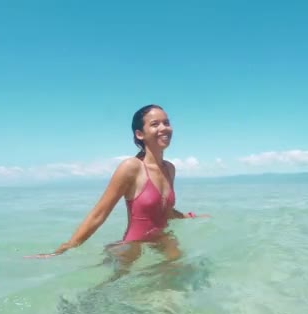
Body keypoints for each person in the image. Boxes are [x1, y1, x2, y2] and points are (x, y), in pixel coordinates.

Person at [25, 104, 207, 273]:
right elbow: (99, 214)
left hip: (164, 239)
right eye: (155, 124)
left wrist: (189, 216)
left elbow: (164, 210)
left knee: (184, 275)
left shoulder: (170, 169)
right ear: (140, 134)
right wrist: (64, 249)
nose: (164, 128)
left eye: (166, 122)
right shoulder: (131, 167)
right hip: (134, 245)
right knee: (115, 289)